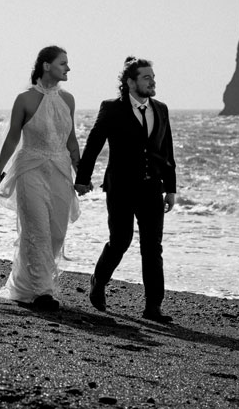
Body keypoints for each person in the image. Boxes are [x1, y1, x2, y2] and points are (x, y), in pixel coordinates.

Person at [74, 56, 177, 323]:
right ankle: (98, 281)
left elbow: (167, 151)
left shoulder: (161, 109)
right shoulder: (111, 108)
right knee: (120, 241)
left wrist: (171, 188)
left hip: (152, 188)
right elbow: (94, 144)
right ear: (130, 82)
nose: (152, 81)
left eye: (153, 77)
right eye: (146, 77)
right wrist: (83, 178)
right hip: (120, 187)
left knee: (152, 247)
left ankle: (153, 308)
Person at [0, 46, 82, 311]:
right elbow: (12, 138)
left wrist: (81, 173)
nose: (68, 68)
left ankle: (27, 284)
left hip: (60, 172)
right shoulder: (24, 99)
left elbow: (71, 140)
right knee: (36, 230)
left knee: (56, 233)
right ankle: (42, 292)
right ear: (46, 66)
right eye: (63, 63)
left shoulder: (69, 100)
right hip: (30, 170)